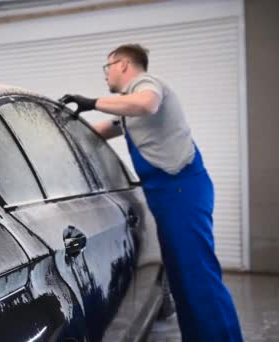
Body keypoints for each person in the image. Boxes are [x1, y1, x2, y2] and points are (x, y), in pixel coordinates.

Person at [59, 44, 243, 341]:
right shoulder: (127, 109)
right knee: (183, 280)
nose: (106, 76)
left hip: (182, 191)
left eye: (108, 68)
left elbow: (147, 104)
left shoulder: (146, 85)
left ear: (123, 64)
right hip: (169, 197)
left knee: (199, 276)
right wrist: (65, 126)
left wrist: (92, 102)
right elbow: (101, 130)